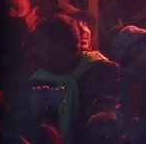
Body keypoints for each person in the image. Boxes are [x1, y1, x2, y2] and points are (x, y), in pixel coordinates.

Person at [27, 14, 119, 142]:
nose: (35, 50)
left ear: (59, 46)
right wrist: (34, 112)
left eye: (40, 43)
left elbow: (110, 127)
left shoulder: (103, 71)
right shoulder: (38, 81)